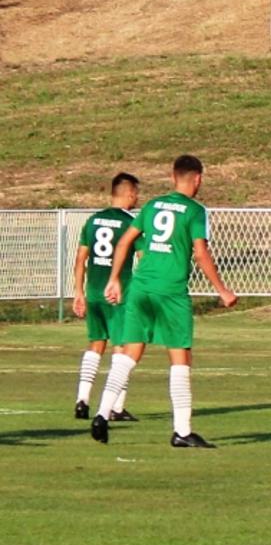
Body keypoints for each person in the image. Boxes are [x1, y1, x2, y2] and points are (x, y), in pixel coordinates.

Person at [93, 155, 238, 448]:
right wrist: (222, 289)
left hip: (141, 289)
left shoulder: (152, 205)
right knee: (180, 358)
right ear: (198, 179)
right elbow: (200, 253)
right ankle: (182, 431)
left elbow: (124, 243)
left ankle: (102, 414)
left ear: (173, 177)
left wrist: (114, 279)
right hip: (170, 292)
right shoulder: (195, 211)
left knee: (128, 355)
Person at [70, 172, 140, 422]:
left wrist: (79, 292)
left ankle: (82, 400)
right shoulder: (130, 224)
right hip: (120, 293)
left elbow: (80, 260)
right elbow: (142, 260)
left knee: (96, 344)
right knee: (123, 347)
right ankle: (115, 407)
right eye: (136, 193)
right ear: (130, 193)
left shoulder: (93, 220)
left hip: (94, 291)